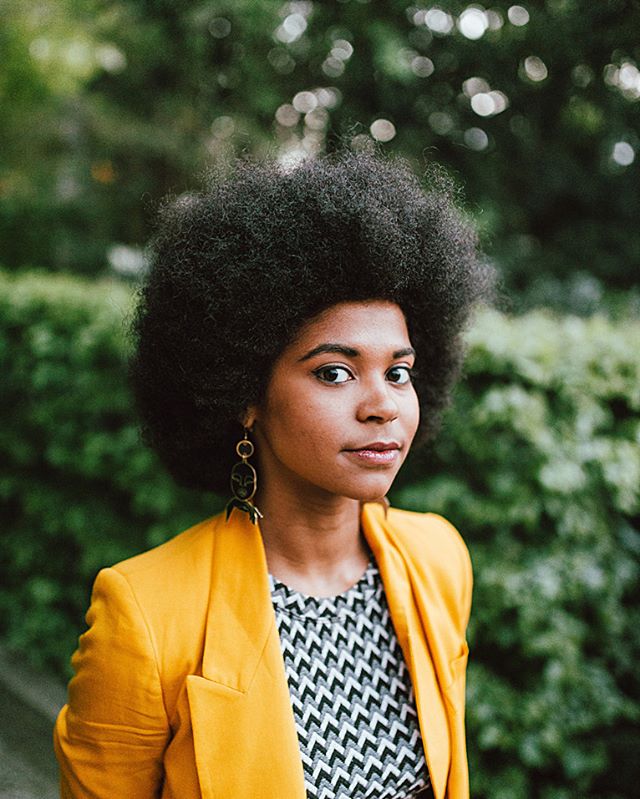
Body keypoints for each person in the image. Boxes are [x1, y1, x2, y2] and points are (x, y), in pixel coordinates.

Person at [53, 148, 492, 799]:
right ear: (245, 393)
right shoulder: (145, 616)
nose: (382, 404)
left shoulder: (438, 560)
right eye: (334, 371)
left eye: (398, 370)